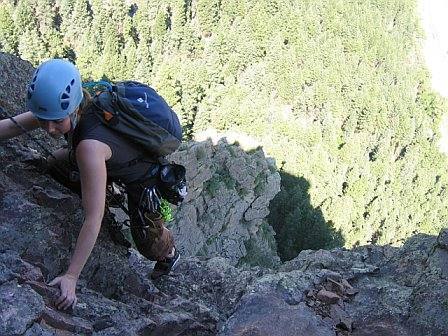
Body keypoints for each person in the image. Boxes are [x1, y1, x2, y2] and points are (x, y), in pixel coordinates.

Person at [0, 59, 180, 310]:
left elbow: (92, 219)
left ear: (73, 110)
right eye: (44, 120)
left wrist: (71, 276)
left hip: (141, 174)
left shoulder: (87, 147)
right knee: (52, 163)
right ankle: (103, 184)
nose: (50, 129)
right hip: (108, 155)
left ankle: (170, 253)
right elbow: (12, 126)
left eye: (57, 121)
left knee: (149, 245)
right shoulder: (68, 106)